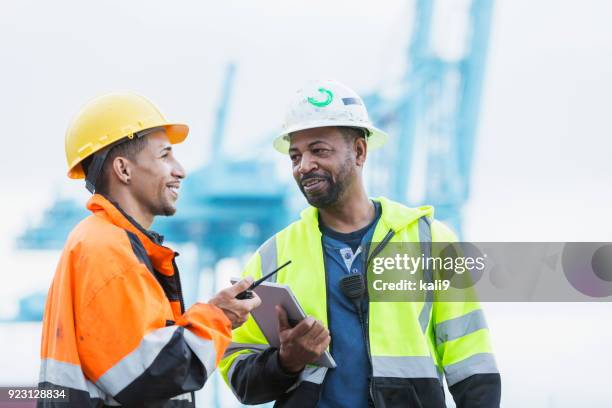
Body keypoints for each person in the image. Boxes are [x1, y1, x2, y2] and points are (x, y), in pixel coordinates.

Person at [219, 80, 501, 407]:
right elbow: (242, 381)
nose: (304, 165)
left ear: (359, 151)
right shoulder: (273, 256)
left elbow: (472, 362)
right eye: (295, 156)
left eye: (319, 150)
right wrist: (286, 361)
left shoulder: (431, 241)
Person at [38, 93, 261, 407]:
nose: (180, 170)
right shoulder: (106, 248)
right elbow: (150, 373)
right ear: (123, 170)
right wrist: (218, 317)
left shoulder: (108, 243)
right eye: (165, 156)